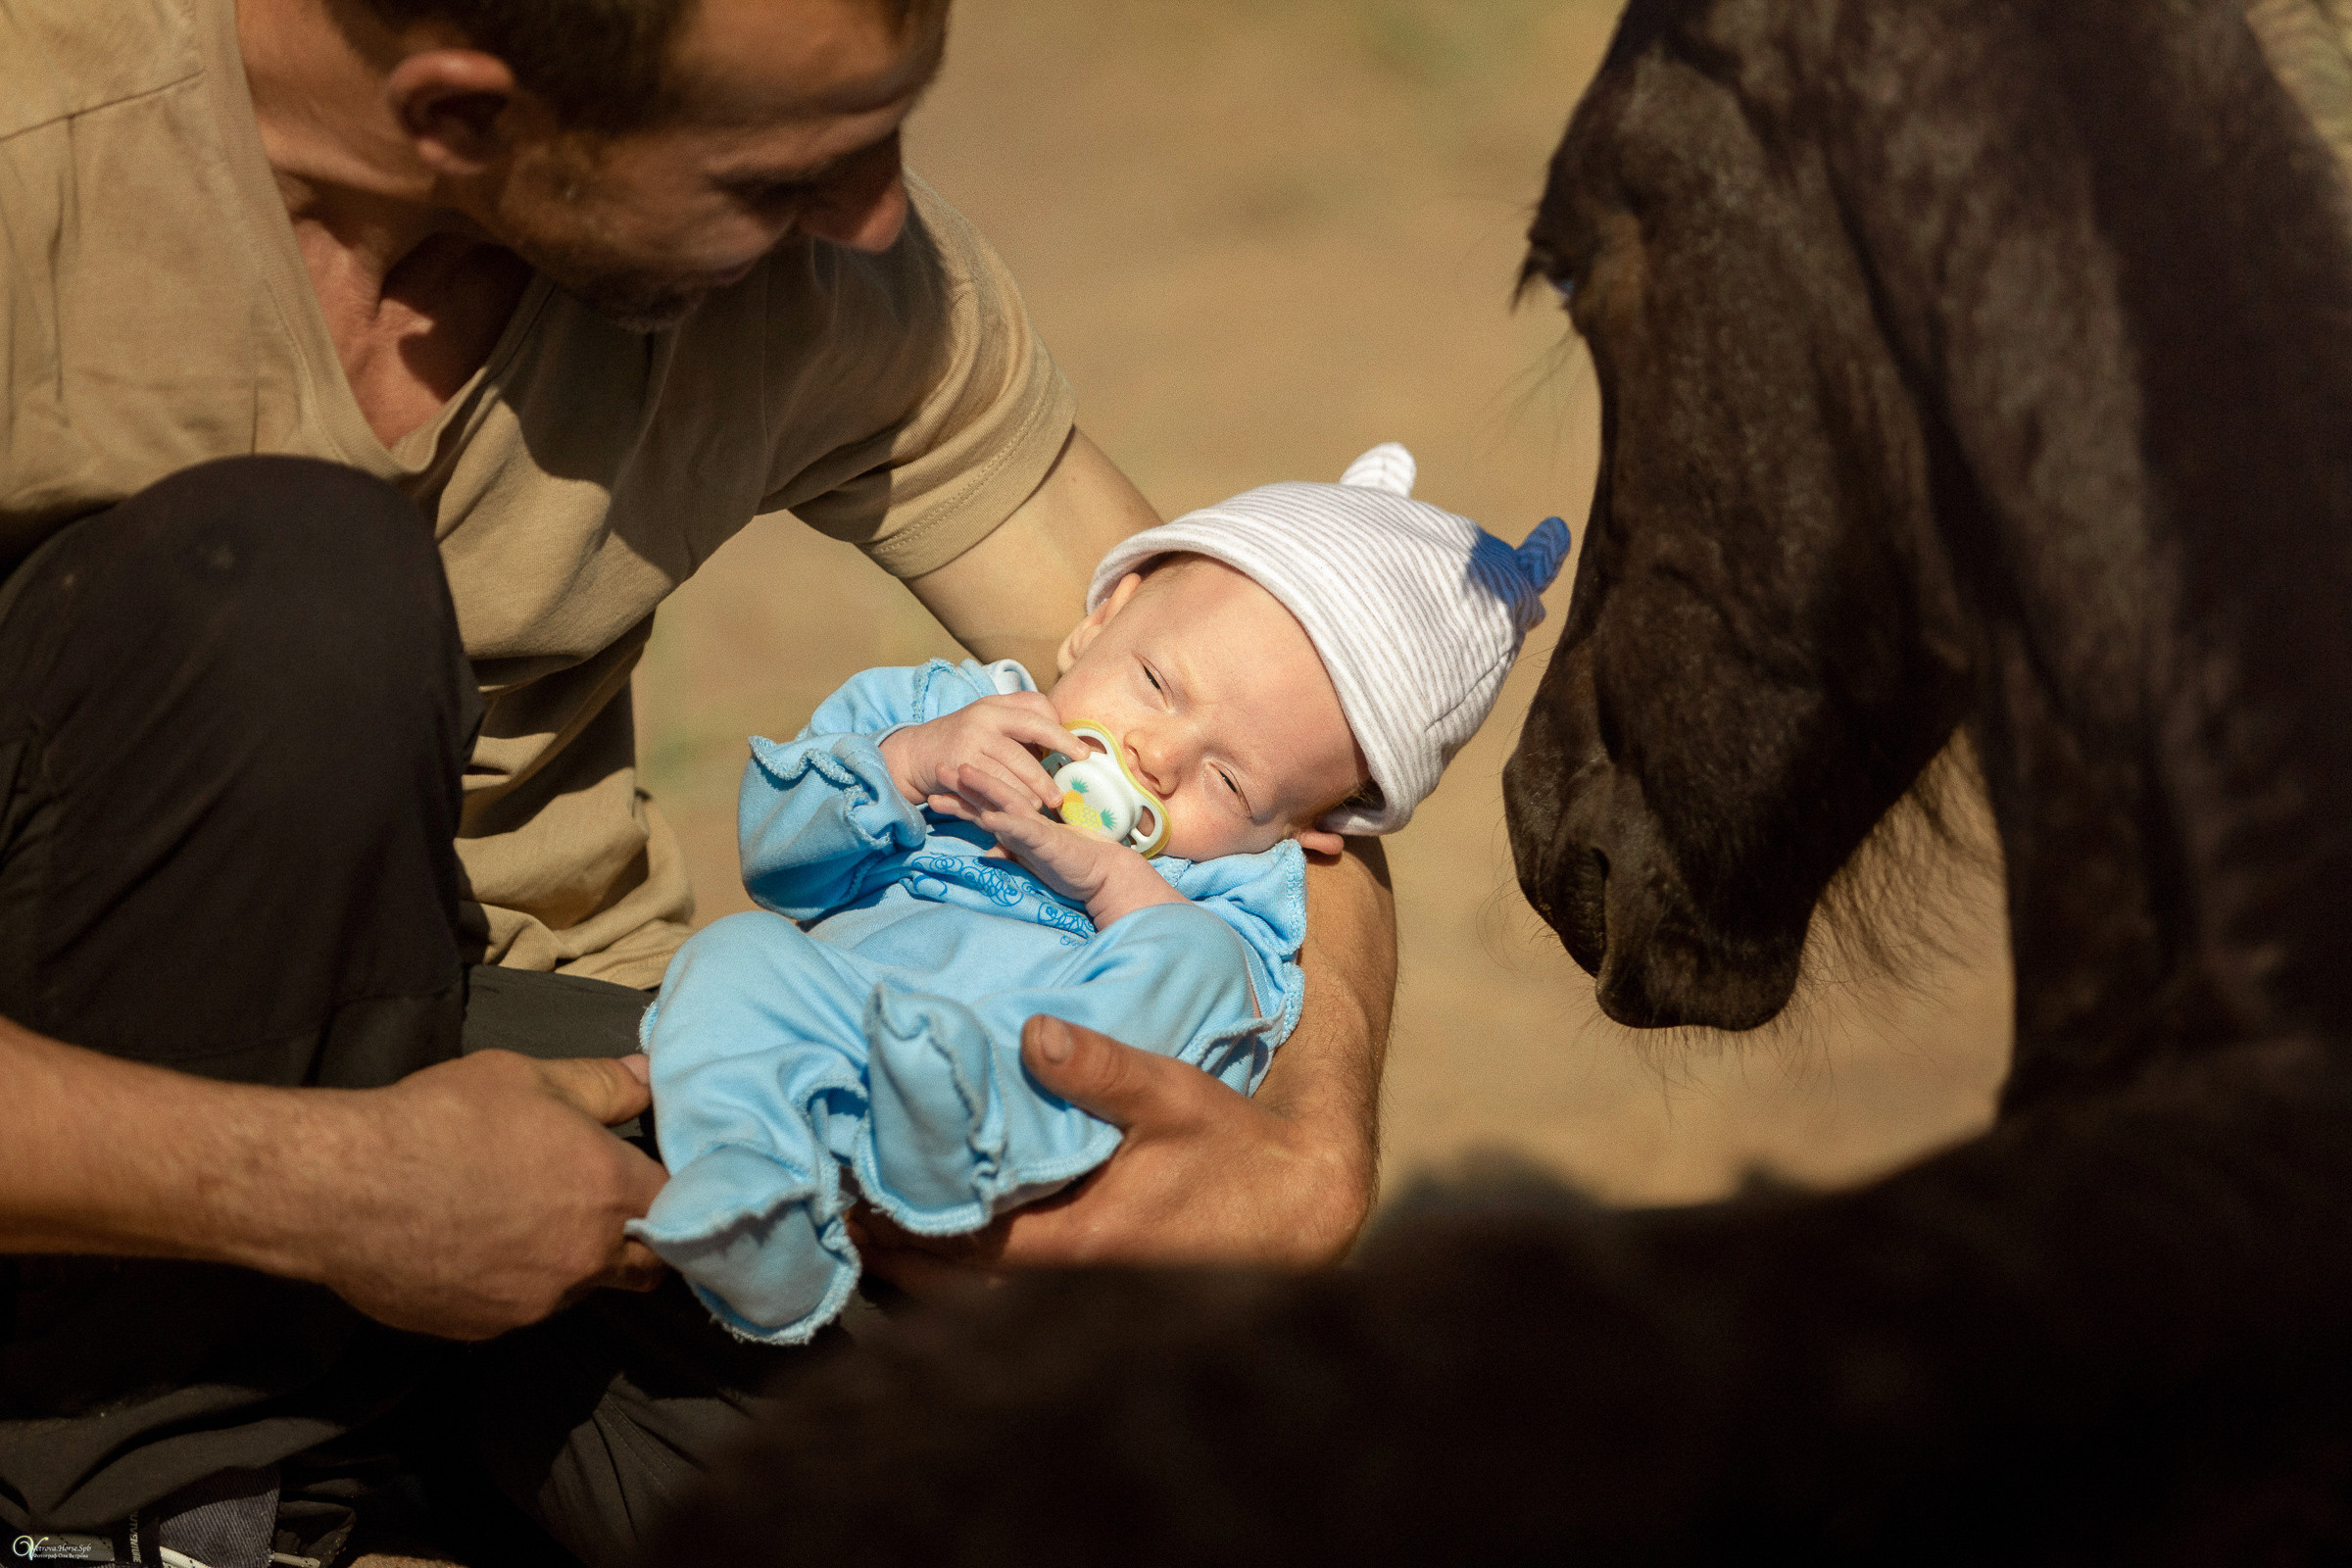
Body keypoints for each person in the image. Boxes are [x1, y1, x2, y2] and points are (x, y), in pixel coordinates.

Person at [0, 0, 1396, 1563]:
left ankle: (349, 1437)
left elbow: (1271, 700)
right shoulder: (44, 157)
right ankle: (124, 1500)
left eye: (884, 132)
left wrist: (1310, 1143)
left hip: (535, 1076)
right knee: (291, 602)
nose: (874, 213)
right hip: (81, 1100)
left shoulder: (839, 272)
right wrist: (319, 1197)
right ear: (465, 120)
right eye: (783, 171)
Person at [633, 449, 1571, 1345]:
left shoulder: (1233, 884)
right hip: (843, 1022)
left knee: (1202, 961)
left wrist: (1120, 885)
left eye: (1232, 783)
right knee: (731, 962)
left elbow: (1220, 1023)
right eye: (1158, 684)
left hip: (1032, 1098)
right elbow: (777, 859)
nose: (1158, 758)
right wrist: (908, 767)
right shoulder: (933, 712)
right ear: (1100, 618)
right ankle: (756, 1216)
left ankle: (965, 1118)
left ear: (1315, 830)